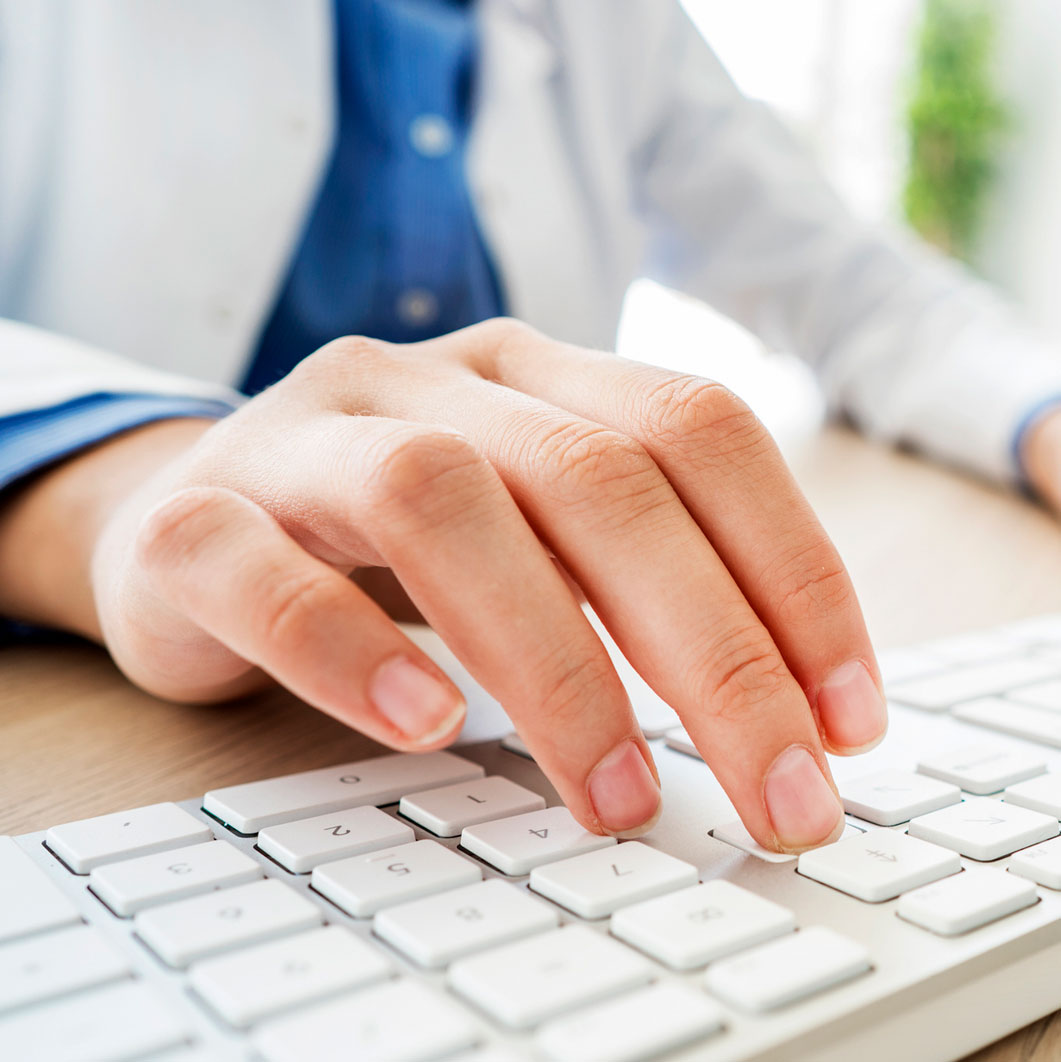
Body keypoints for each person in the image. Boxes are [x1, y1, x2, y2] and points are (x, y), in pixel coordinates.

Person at [2, 0, 1060, 854]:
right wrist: (123, 493)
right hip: (108, 718)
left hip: (504, 703)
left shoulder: (612, 25)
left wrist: (1038, 414)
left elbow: (859, 292)